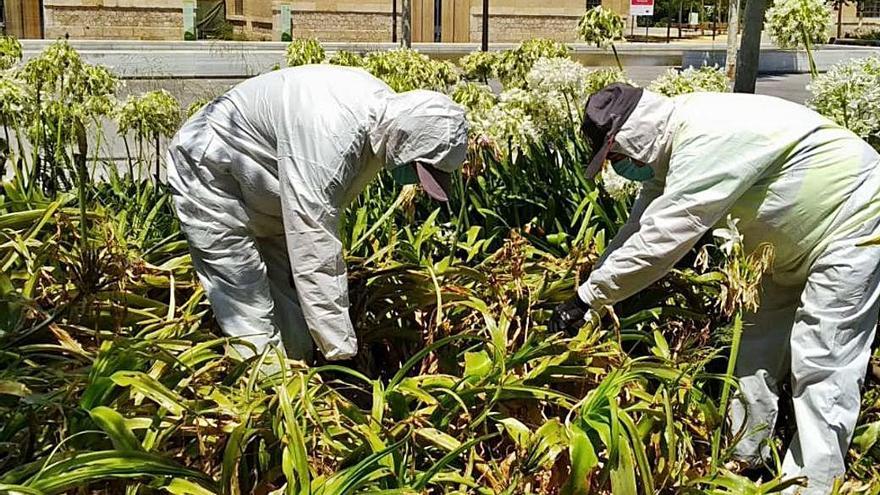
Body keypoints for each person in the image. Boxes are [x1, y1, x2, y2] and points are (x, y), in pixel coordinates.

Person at [549, 83, 880, 494]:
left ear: (633, 138)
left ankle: (814, 484)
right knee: (754, 347)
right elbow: (638, 229)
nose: (617, 166)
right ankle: (746, 456)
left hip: (853, 223)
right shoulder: (667, 154)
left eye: (615, 155)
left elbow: (664, 239)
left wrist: (590, 297)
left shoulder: (704, 139)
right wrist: (589, 292)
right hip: (785, 247)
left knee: (822, 360)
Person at [167, 65, 468, 363]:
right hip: (209, 168)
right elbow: (314, 244)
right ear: (406, 141)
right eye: (418, 168)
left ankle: (299, 372)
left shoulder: (383, 121)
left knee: (285, 295)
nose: (413, 179)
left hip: (264, 184)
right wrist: (342, 349)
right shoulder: (332, 132)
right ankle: (262, 392)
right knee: (246, 298)